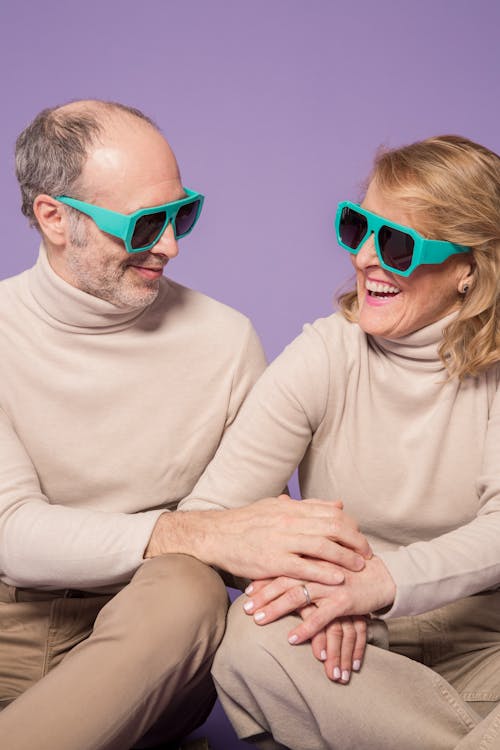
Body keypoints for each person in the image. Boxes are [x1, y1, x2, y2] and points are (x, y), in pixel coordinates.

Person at [0, 100, 370, 750]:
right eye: (145, 224)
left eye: (182, 213)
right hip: (11, 621)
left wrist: (322, 586)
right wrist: (190, 531)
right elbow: (12, 535)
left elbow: (257, 529)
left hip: (157, 634)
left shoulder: (224, 340)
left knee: (189, 586)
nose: (169, 245)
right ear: (54, 218)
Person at [179, 135, 500, 749]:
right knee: (248, 643)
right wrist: (300, 591)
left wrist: (381, 583)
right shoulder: (326, 353)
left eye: (399, 243)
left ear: (468, 267)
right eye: (358, 227)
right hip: (351, 645)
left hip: (486, 649)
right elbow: (212, 516)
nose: (366, 258)